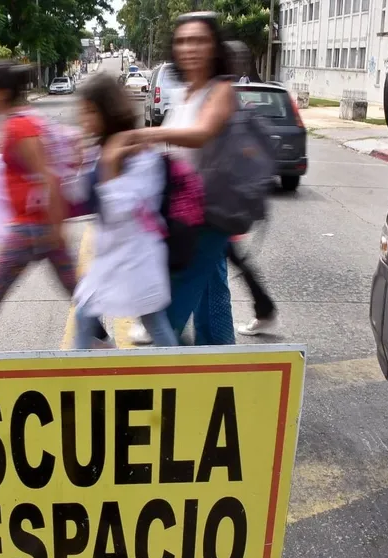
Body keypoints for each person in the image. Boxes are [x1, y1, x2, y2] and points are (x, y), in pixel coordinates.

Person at [124, 12, 237, 346]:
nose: (190, 48)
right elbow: (181, 151)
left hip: (208, 212)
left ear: (215, 47)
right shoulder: (187, 92)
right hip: (191, 209)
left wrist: (143, 135)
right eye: (183, 41)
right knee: (211, 290)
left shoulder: (221, 91)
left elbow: (201, 135)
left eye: (199, 40)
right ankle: (219, 358)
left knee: (171, 309)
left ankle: (167, 366)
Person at [0, 60, 79, 347]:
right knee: (75, 288)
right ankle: (103, 342)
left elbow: (47, 175)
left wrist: (56, 227)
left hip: (31, 227)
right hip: (39, 225)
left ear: (3, 92)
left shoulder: (19, 125)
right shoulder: (23, 120)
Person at [73, 74, 178, 349]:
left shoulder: (140, 153)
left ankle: (175, 372)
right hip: (113, 255)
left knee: (153, 320)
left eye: (90, 111)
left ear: (107, 111)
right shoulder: (105, 147)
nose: (84, 118)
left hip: (136, 255)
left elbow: (121, 209)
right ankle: (79, 378)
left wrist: (109, 166)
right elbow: (88, 197)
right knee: (86, 315)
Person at [223, 39, 279, 335]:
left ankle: (160, 323)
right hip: (231, 200)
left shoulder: (225, 99)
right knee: (229, 257)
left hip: (226, 202)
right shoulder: (231, 96)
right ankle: (264, 309)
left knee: (221, 256)